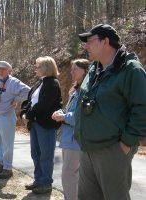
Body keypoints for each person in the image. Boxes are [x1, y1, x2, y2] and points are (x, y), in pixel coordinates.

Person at [75, 24, 146, 200]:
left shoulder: (130, 69)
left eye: (90, 41)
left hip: (112, 150)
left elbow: (142, 108)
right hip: (87, 149)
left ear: (106, 41)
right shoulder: (94, 69)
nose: (86, 46)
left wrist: (126, 142)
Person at [20, 56, 62, 194]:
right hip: (35, 124)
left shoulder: (52, 83)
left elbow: (44, 104)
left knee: (46, 155)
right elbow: (29, 102)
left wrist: (29, 115)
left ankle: (46, 183)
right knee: (35, 153)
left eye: (37, 66)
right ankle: (38, 180)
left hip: (46, 125)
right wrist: (24, 114)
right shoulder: (39, 83)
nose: (35, 69)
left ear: (46, 68)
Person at [52, 59, 90, 200]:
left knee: (69, 175)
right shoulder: (75, 90)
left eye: (75, 69)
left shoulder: (86, 90)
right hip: (69, 138)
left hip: (75, 139)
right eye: (71, 69)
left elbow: (82, 117)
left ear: (85, 70)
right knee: (73, 175)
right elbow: (71, 111)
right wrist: (61, 112)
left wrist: (64, 117)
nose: (71, 72)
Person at [0, 61, 30, 179]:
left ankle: (8, 168)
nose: (0, 71)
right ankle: (1, 164)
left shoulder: (14, 82)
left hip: (7, 115)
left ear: (9, 70)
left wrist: (16, 99)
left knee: (7, 143)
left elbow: (28, 91)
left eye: (3, 69)